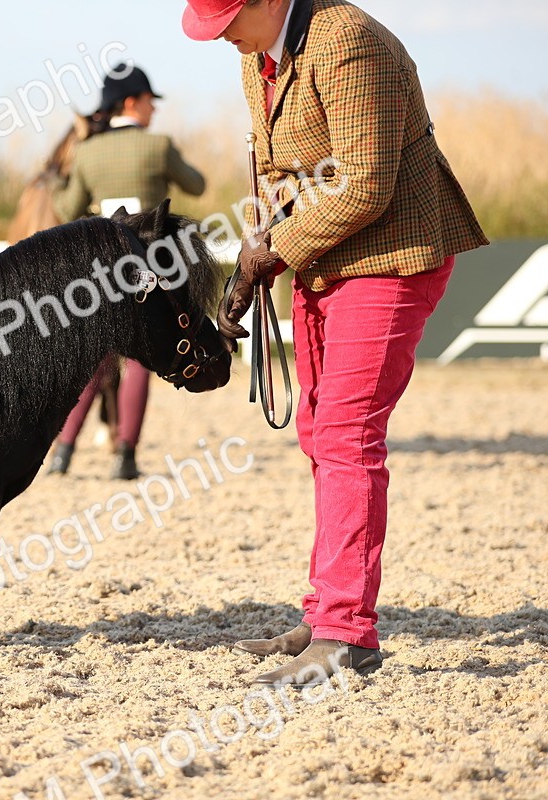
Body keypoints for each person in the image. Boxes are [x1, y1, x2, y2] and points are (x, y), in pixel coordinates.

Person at [182, 0, 488, 685]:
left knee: (348, 434)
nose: (221, 34)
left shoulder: (348, 42)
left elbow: (367, 183)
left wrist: (276, 252)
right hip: (324, 256)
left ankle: (347, 634)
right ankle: (324, 611)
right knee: (319, 432)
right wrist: (250, 258)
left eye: (228, 17)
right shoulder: (255, 58)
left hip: (391, 254)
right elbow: (277, 173)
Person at [48, 63, 207, 479]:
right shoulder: (158, 145)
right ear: (132, 102)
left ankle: (63, 451)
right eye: (150, 102)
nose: (154, 109)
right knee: (140, 360)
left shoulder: (87, 151)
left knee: (95, 358)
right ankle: (125, 456)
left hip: (100, 268)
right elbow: (196, 185)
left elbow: (66, 208)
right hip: (152, 266)